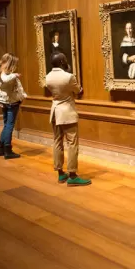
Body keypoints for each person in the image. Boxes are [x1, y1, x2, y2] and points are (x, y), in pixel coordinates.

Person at [45, 52, 91, 186]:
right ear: (61, 62)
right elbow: (79, 91)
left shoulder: (48, 77)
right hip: (67, 113)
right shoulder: (69, 76)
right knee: (72, 143)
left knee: (57, 142)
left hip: (55, 111)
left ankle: (60, 173)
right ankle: (72, 175)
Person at [0, 53, 27, 159]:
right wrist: (15, 75)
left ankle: (1, 148)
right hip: (11, 101)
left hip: (3, 100)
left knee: (6, 125)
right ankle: (7, 150)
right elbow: (7, 80)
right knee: (9, 125)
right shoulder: (8, 76)